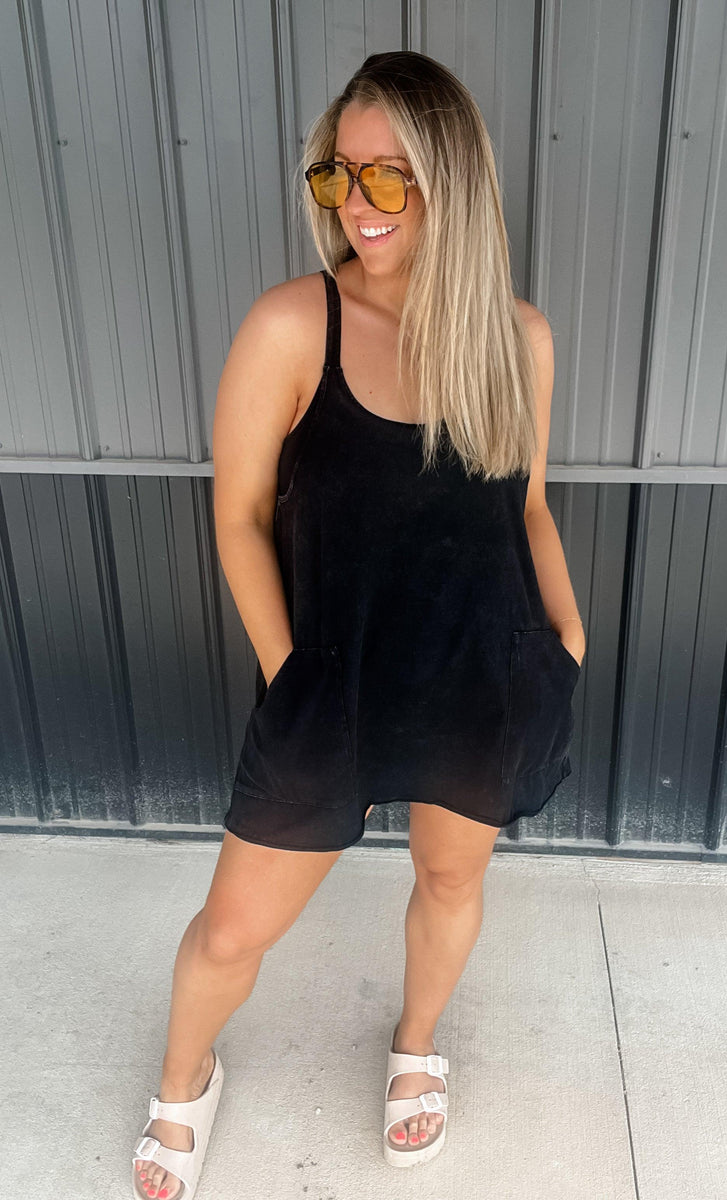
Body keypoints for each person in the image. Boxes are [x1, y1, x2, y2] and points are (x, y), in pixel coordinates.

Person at [131, 49, 585, 1198]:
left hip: (479, 673)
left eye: (389, 176)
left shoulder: (518, 338)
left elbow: (526, 505)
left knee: (449, 882)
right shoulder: (294, 326)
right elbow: (238, 517)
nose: (357, 204)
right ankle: (183, 1080)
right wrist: (293, 673)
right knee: (231, 930)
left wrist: (564, 635)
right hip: (330, 683)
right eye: (339, 174)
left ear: (450, 181)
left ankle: (415, 1044)